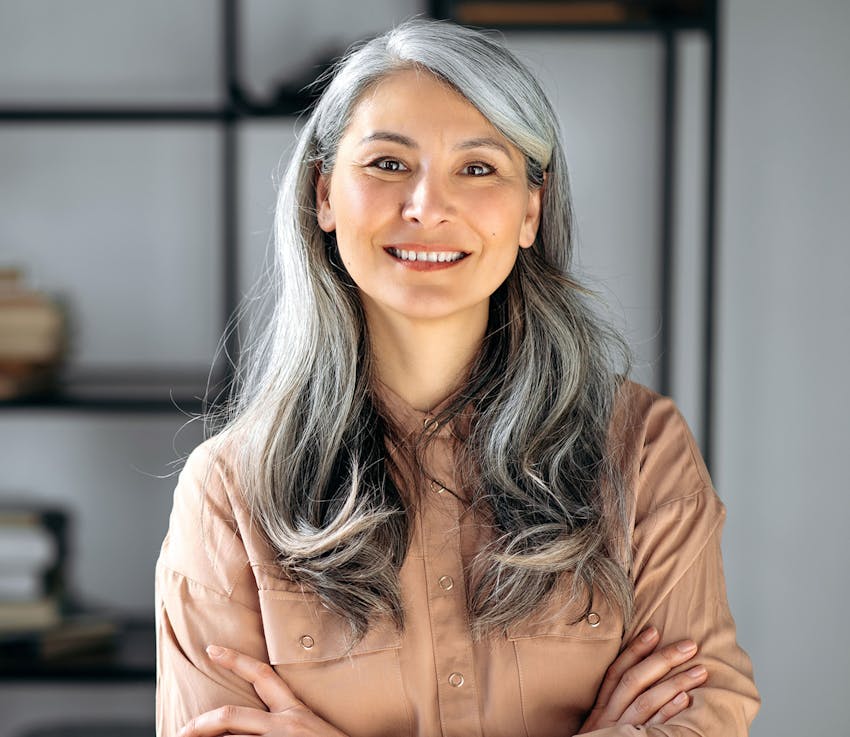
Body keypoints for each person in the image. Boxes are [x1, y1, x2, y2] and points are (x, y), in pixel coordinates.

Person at [155, 18, 759, 737]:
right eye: (387, 164)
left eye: (477, 169)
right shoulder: (229, 491)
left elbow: (701, 717)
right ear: (323, 195)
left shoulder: (642, 450)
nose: (426, 208)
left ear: (531, 208)